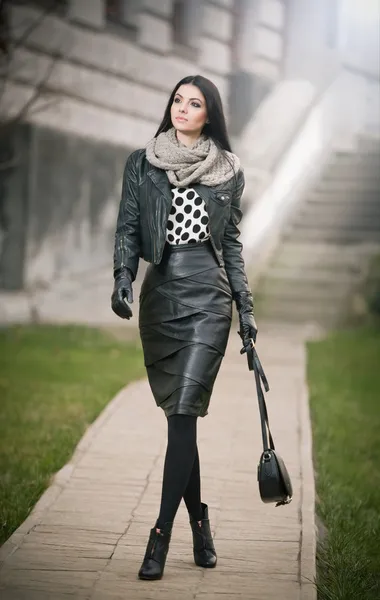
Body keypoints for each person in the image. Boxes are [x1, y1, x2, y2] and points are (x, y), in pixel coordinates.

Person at [111, 75, 258, 581]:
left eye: (194, 104)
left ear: (209, 115)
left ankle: (158, 538)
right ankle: (200, 522)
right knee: (181, 418)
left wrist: (247, 311)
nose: (183, 108)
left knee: (184, 411)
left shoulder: (228, 172)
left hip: (210, 300)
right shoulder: (143, 163)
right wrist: (122, 278)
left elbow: (232, 244)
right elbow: (129, 225)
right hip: (161, 297)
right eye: (178, 100)